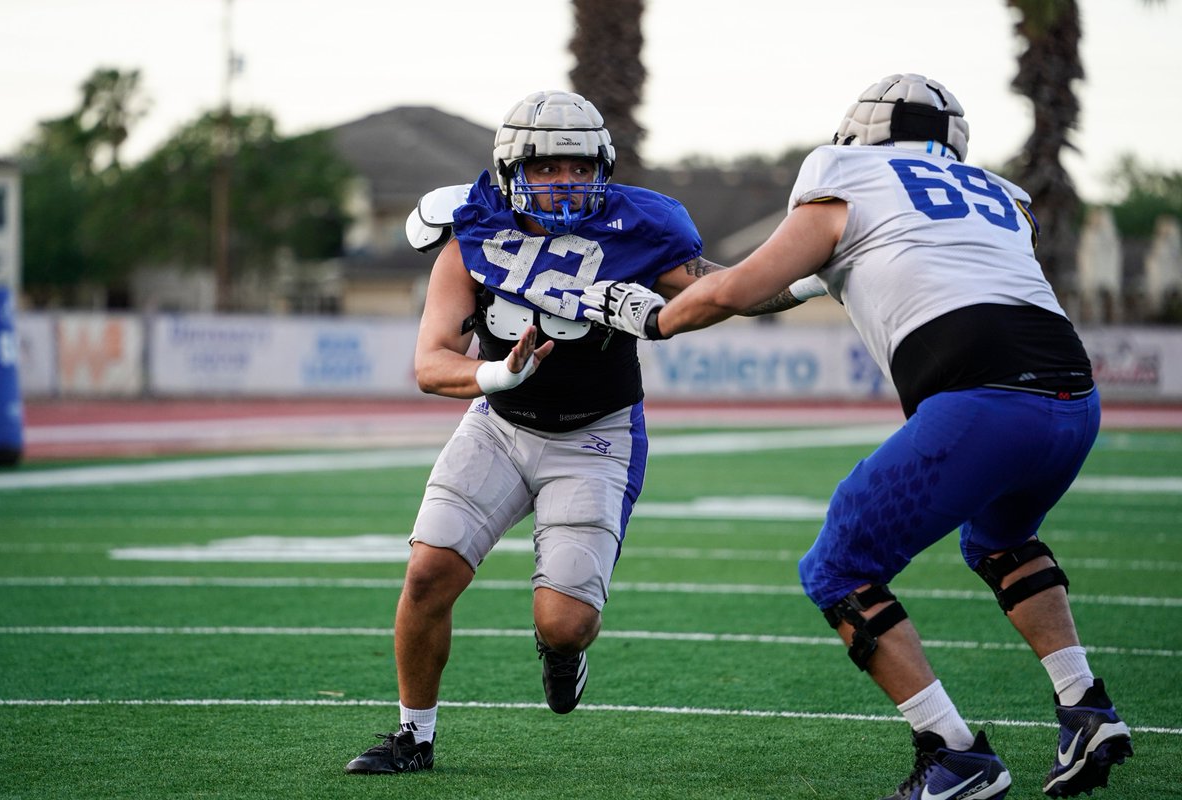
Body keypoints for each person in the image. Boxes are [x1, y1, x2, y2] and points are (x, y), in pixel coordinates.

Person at [580, 74, 1132, 800]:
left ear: (860, 135)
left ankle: (952, 753)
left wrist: (648, 317)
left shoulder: (847, 173)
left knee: (837, 568)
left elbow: (737, 289)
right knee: (1000, 540)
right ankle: (1085, 706)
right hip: (1074, 400)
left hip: (983, 398)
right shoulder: (1000, 195)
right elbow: (893, 265)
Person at [344, 89, 800, 776]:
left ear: (602, 169)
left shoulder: (637, 230)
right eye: (547, 167)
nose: (565, 181)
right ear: (512, 171)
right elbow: (431, 364)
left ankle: (562, 653)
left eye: (579, 167)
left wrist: (811, 279)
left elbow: (728, 288)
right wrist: (497, 374)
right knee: (428, 574)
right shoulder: (473, 233)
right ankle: (415, 735)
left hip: (596, 435)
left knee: (565, 623)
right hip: (499, 426)